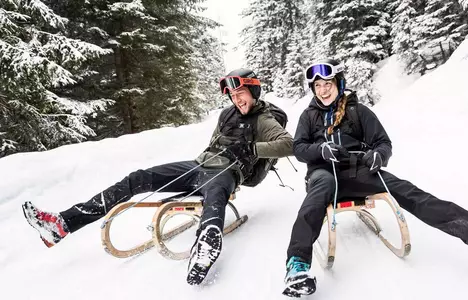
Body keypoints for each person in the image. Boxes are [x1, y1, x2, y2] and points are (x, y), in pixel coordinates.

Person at [282, 59, 468, 297]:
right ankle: (297, 265)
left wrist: (380, 155)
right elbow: (299, 148)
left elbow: (383, 142)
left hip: (357, 169)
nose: (323, 90)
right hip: (324, 173)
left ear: (338, 83)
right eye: (318, 86)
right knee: (315, 199)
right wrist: (320, 150)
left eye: (328, 84)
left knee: (409, 193)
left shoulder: (358, 111)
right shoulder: (308, 116)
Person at [21, 68, 293, 286]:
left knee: (215, 196)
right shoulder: (227, 114)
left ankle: (206, 242)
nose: (237, 99)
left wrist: (251, 149)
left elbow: (288, 144)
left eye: (241, 93)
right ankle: (63, 223)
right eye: (233, 95)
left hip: (226, 172)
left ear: (253, 91)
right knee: (138, 178)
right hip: (198, 165)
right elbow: (212, 144)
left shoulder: (264, 119)